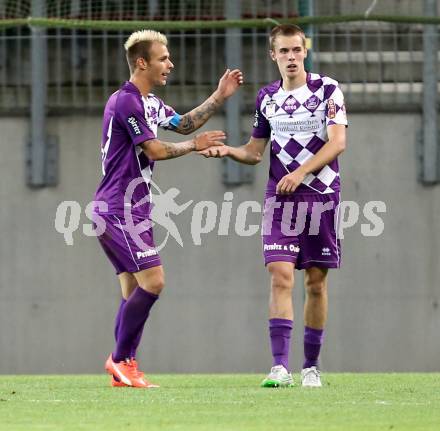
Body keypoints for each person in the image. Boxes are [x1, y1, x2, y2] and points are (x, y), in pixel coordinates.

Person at [93, 29, 243, 388]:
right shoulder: (125, 101)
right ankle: (121, 360)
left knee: (132, 291)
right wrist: (193, 146)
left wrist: (219, 96)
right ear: (142, 62)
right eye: (163, 58)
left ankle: (122, 367)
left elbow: (183, 123)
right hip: (120, 208)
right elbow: (156, 149)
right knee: (155, 281)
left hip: (130, 208)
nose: (170, 64)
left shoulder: (150, 103)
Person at [200, 24, 347, 388]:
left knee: (315, 282)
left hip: (321, 196)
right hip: (280, 198)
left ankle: (310, 367)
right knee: (280, 276)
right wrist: (229, 151)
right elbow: (254, 152)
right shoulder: (266, 98)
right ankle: (280, 367)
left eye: (297, 50)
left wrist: (299, 172)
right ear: (273, 55)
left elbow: (337, 143)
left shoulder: (327, 89)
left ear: (305, 52)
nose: (291, 57)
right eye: (284, 51)